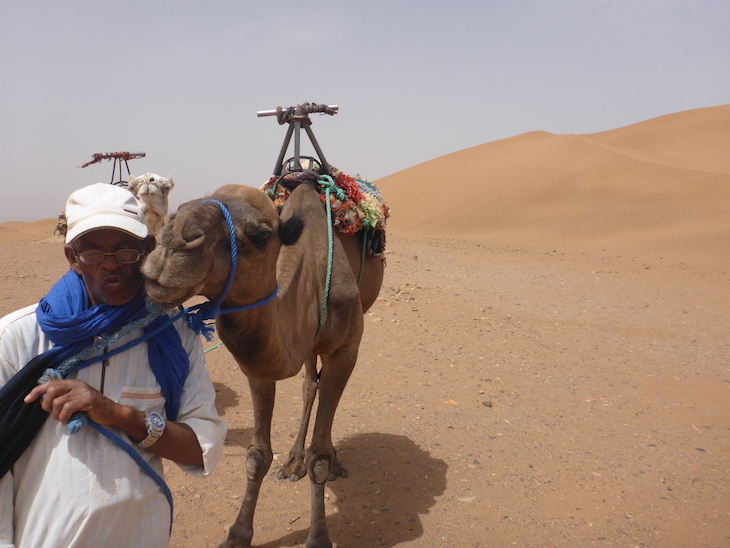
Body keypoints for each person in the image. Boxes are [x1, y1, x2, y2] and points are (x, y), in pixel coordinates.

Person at [0, 183, 226, 548]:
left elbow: (202, 447)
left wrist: (121, 415)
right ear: (71, 256)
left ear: (147, 250)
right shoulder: (18, 339)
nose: (109, 263)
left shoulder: (173, 334)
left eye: (124, 249)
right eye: (92, 252)